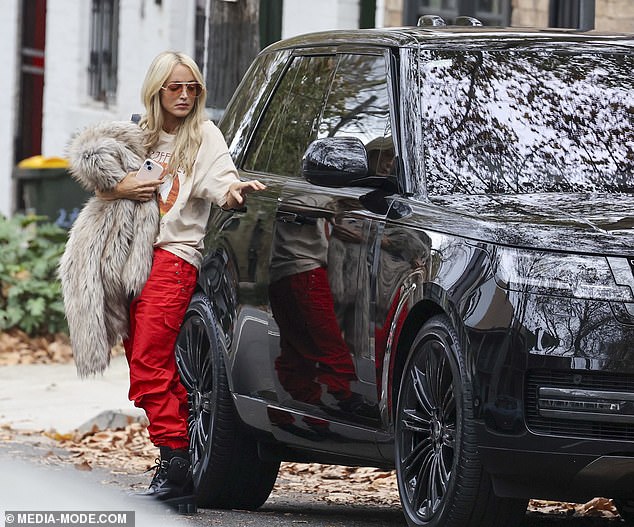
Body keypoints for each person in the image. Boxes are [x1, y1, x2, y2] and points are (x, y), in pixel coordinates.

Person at [99, 51, 265, 511]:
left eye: (192, 87)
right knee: (142, 362)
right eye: (176, 87)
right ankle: (177, 464)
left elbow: (221, 181)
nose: (186, 95)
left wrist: (234, 194)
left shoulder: (204, 135)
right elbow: (101, 181)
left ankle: (177, 469)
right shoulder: (138, 136)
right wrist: (120, 188)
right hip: (131, 259)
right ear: (157, 91)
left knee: (149, 360)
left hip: (174, 259)